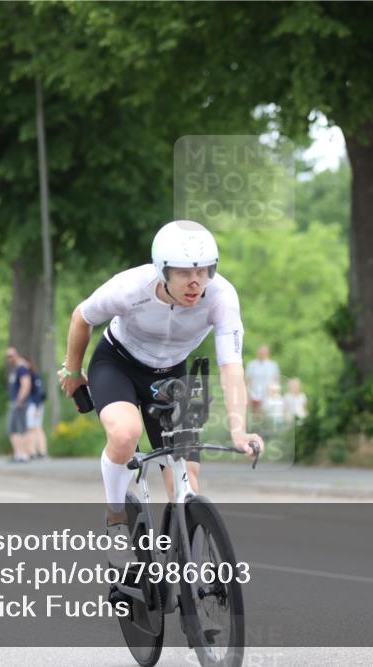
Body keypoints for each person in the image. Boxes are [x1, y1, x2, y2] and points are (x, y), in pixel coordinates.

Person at [57, 220, 263, 566]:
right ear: (162, 270)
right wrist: (74, 371)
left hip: (171, 374)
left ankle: (185, 562)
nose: (195, 281)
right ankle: (115, 518)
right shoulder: (130, 287)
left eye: (204, 270)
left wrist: (239, 429)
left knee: (186, 479)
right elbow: (82, 317)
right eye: (184, 272)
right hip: (118, 364)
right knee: (125, 434)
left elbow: (231, 366)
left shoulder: (221, 296)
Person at [5, 346, 33, 463]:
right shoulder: (16, 369)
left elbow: (26, 384)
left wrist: (20, 400)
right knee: (13, 429)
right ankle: (19, 453)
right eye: (8, 356)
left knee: (21, 428)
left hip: (19, 402)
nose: (10, 358)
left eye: (11, 355)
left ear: (16, 355)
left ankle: (24, 454)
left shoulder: (22, 369)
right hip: (15, 401)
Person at [20, 355, 49, 460]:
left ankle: (39, 451)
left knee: (35, 428)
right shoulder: (29, 376)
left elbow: (38, 392)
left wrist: (37, 406)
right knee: (33, 428)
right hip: (33, 404)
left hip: (35, 404)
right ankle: (34, 451)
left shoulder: (34, 376)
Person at [245, 344, 279, 419]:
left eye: (264, 352)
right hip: (254, 394)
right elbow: (248, 380)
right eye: (260, 352)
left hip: (268, 395)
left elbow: (276, 381)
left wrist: (274, 395)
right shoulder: (251, 365)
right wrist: (247, 395)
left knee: (267, 415)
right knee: (255, 417)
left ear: (268, 353)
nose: (262, 354)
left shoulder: (273, 365)